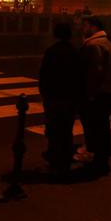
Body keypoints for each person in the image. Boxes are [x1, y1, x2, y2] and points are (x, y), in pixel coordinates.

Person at [39, 21, 82, 174]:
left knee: (53, 128)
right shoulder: (75, 52)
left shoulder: (51, 51)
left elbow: (44, 75)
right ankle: (65, 156)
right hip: (70, 97)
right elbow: (80, 76)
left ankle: (54, 155)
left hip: (54, 96)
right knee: (66, 128)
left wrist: (44, 93)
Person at [80, 16, 111, 176]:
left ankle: (97, 163)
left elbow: (94, 72)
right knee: (102, 127)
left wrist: (89, 94)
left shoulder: (94, 45)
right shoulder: (108, 43)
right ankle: (102, 161)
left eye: (85, 26)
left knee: (95, 128)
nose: (83, 29)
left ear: (94, 27)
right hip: (110, 91)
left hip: (99, 93)